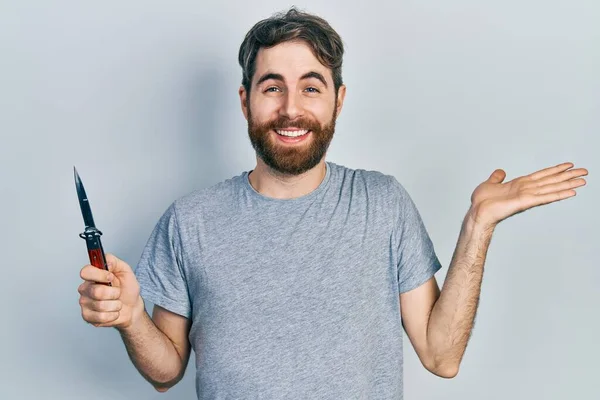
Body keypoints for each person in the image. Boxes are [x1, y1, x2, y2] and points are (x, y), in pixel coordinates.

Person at [77, 7, 588, 399]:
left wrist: (479, 225)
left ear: (338, 101)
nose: (291, 109)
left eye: (311, 87)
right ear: (244, 100)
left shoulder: (382, 204)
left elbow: (441, 354)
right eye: (272, 87)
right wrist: (130, 318)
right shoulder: (190, 221)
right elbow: (166, 371)